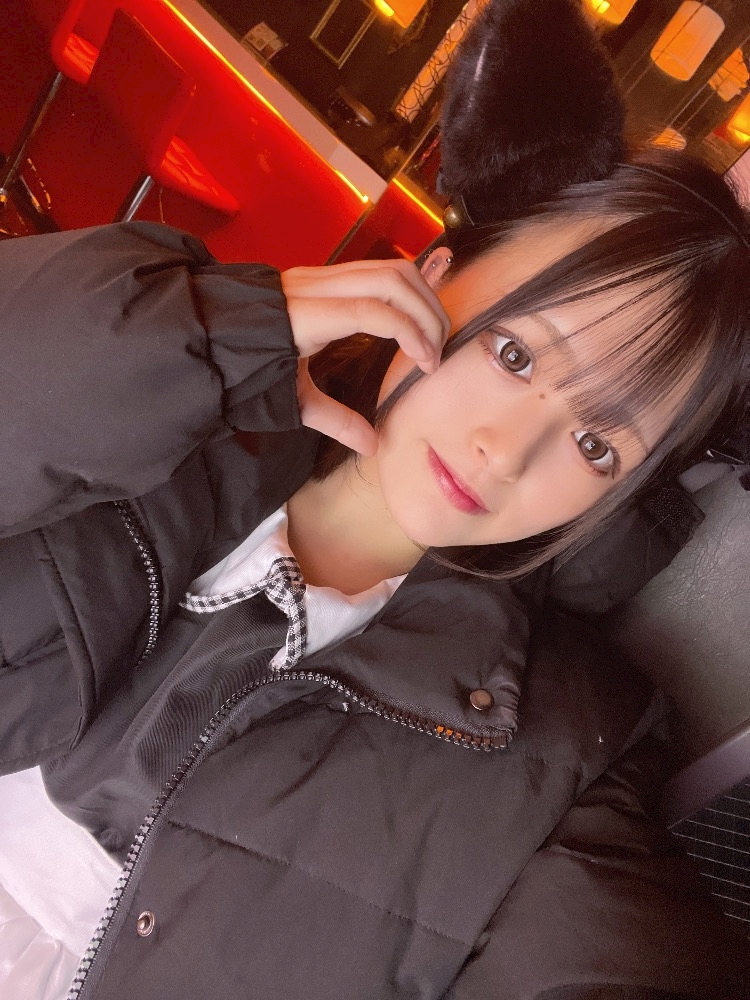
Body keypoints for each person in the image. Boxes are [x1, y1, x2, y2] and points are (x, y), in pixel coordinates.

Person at [0, 145, 748, 999]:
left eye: (595, 445)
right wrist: (194, 338)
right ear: (433, 276)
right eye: (514, 355)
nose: (504, 452)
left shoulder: (557, 743)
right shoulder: (152, 409)